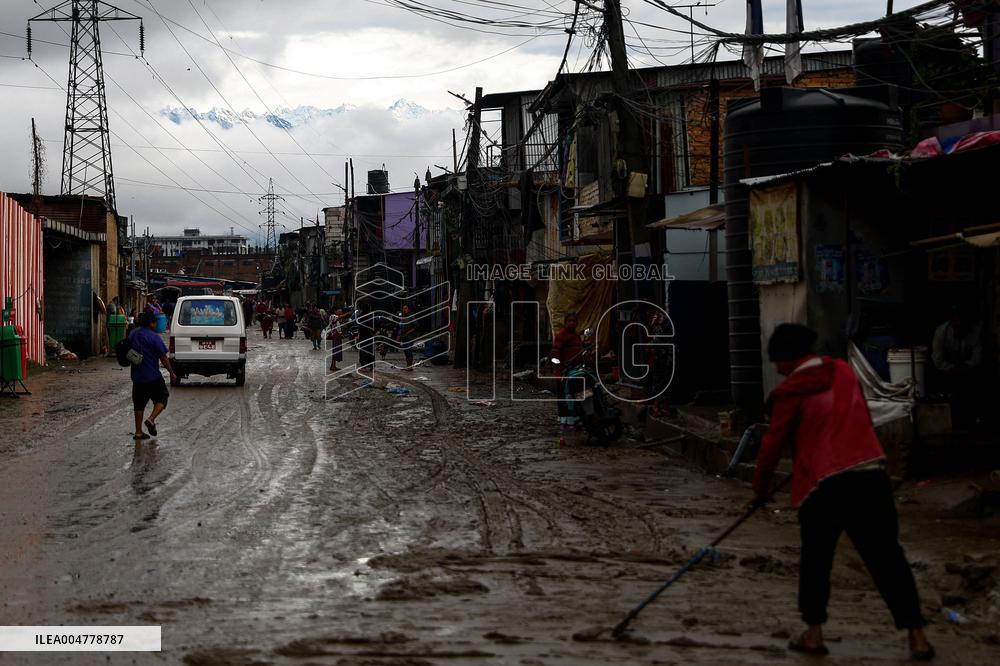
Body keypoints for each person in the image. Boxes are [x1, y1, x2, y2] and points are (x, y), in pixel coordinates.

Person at [752, 324, 933, 661]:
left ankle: (814, 634)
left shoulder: (789, 393)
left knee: (816, 562)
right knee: (888, 559)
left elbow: (772, 445)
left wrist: (759, 491)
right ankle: (917, 637)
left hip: (824, 487)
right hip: (870, 476)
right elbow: (857, 419)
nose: (776, 369)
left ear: (787, 360)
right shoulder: (844, 373)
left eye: (777, 362)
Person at [931, 305, 984, 428]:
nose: (960, 324)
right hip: (947, 370)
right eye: (957, 320)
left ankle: (972, 419)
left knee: (973, 381)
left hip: (967, 370)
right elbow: (937, 360)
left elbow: (977, 358)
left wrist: (965, 367)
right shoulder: (941, 331)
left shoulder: (975, 331)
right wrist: (951, 368)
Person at [127, 311, 177, 441]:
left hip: (137, 376)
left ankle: (138, 432)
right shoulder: (154, 337)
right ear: (151, 323)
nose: (156, 324)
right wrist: (171, 372)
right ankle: (151, 419)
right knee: (163, 397)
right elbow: (163, 358)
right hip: (152, 376)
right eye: (155, 322)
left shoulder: (133, 334)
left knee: (138, 404)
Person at [550, 312, 583, 431]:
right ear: (565, 322)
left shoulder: (577, 335)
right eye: (569, 320)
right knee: (564, 397)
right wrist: (559, 369)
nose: (572, 323)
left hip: (575, 371)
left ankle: (577, 420)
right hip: (563, 372)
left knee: (576, 395)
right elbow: (554, 354)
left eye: (574, 320)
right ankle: (565, 422)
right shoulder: (561, 335)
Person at [398, 303, 418, 370]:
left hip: (409, 337)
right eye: (403, 308)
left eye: (405, 308)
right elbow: (400, 328)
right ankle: (408, 365)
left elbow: (416, 326)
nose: (404, 310)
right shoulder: (402, 318)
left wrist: (408, 332)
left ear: (409, 309)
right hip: (403, 338)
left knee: (408, 351)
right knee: (406, 352)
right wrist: (399, 336)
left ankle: (410, 366)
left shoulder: (411, 317)